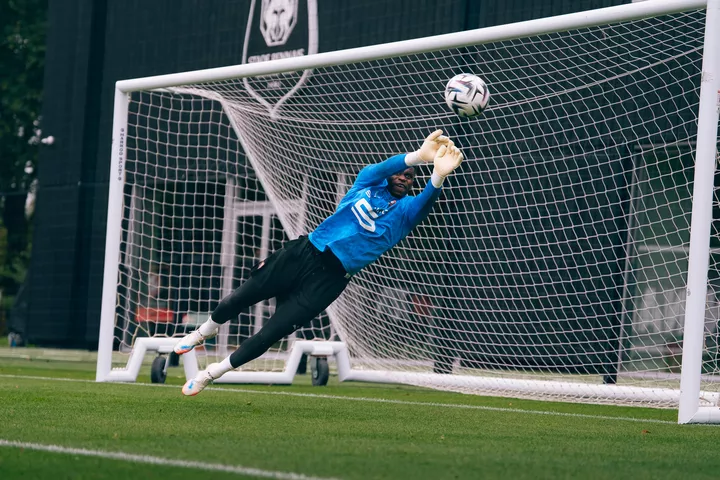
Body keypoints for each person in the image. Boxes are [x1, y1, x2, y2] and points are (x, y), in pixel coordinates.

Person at [174, 130, 464, 396]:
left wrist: (437, 176)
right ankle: (204, 331)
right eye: (400, 173)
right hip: (303, 253)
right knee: (238, 298)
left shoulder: (405, 212)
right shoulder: (366, 182)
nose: (403, 178)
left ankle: (211, 373)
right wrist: (417, 156)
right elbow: (380, 168)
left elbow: (426, 201)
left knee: (271, 334)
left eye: (409, 177)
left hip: (329, 280)